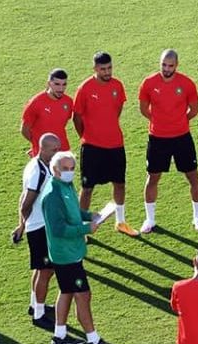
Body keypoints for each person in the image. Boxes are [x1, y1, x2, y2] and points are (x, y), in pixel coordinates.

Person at [42, 151, 120, 344]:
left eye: (72, 168)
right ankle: (93, 342)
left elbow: (73, 212)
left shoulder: (65, 186)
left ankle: (59, 336)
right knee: (83, 295)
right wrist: (86, 228)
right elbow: (58, 229)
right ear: (55, 170)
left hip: (70, 252)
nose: (70, 172)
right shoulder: (53, 195)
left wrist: (90, 215)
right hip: (66, 256)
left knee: (67, 291)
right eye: (65, 168)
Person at [139, 49, 198, 233]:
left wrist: (179, 121)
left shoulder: (186, 84)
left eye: (170, 66)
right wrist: (158, 121)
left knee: (193, 176)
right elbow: (143, 109)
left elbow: (194, 110)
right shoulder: (149, 83)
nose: (166, 69)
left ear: (176, 65)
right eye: (163, 65)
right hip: (157, 138)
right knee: (152, 177)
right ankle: (149, 220)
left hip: (182, 137)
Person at [73, 51, 138, 237]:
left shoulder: (118, 85)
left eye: (109, 68)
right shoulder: (85, 88)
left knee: (119, 184)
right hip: (92, 147)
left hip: (116, 144)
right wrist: (86, 136)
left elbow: (117, 109)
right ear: (95, 68)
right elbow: (76, 117)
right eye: (103, 69)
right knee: (87, 189)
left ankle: (120, 221)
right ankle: (82, 228)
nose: (107, 72)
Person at [12, 133, 60, 329]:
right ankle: (39, 315)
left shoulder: (37, 165)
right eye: (54, 150)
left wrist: (22, 224)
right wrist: (23, 225)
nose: (57, 153)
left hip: (40, 225)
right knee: (46, 271)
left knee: (41, 269)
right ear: (43, 148)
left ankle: (35, 305)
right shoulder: (38, 172)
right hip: (40, 227)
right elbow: (26, 202)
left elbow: (23, 196)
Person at [21, 68, 73, 156]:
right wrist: (37, 143)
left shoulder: (68, 101)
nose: (61, 89)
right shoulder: (35, 103)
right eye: (57, 84)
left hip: (63, 151)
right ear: (49, 84)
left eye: (64, 84)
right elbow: (24, 130)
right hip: (43, 154)